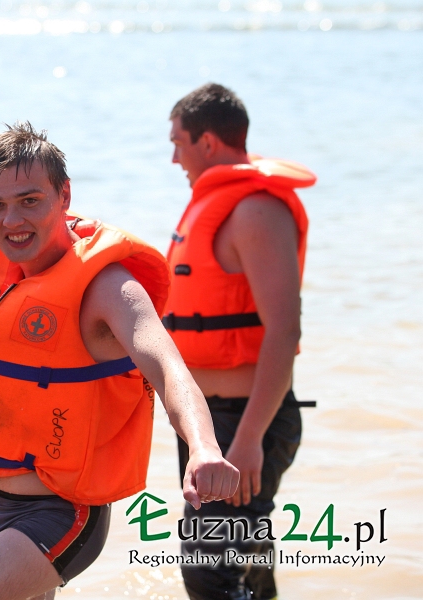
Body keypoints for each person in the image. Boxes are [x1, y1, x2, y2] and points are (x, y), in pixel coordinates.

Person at [0, 122, 239, 600]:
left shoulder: (108, 287)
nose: (12, 221)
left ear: (64, 195)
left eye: (30, 200)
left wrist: (204, 446)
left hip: (58, 517)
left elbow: (168, 368)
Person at [164, 84, 316, 600]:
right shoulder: (211, 205)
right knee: (245, 565)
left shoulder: (255, 210)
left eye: (178, 143)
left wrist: (250, 438)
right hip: (210, 421)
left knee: (209, 572)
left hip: (246, 421)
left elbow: (284, 330)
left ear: (207, 142)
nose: (174, 158)